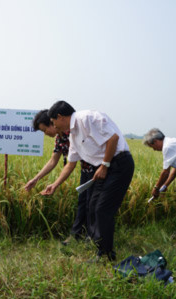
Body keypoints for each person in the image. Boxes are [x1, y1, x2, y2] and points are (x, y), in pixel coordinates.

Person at [41, 101, 134, 262]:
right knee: (92, 206)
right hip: (104, 169)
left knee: (102, 208)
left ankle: (106, 254)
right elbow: (70, 164)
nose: (54, 127)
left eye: (53, 122)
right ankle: (100, 245)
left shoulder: (87, 118)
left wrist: (104, 165)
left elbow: (113, 138)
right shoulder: (73, 135)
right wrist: (54, 185)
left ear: (60, 117)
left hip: (118, 164)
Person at [25, 109, 95, 243]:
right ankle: (77, 235)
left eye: (45, 130)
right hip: (86, 170)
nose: (46, 134)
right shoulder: (60, 138)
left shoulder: (72, 133)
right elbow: (53, 161)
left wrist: (55, 184)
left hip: (96, 169)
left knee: (92, 203)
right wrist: (35, 179)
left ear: (53, 123)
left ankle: (91, 237)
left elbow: (70, 164)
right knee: (83, 201)